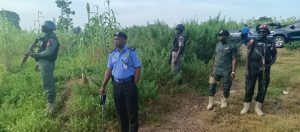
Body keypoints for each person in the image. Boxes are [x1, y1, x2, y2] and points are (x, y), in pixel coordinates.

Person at [100, 32, 141, 132]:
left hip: (129, 85)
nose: (115, 41)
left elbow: (138, 68)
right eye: (114, 39)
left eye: (117, 39)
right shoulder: (112, 54)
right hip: (117, 86)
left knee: (132, 112)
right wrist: (103, 85)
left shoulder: (131, 52)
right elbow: (109, 70)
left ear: (124, 40)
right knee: (121, 112)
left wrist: (134, 83)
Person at [240, 24, 277, 116]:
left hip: (265, 69)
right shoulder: (253, 41)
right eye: (259, 31)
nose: (261, 33)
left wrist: (269, 64)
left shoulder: (270, 42)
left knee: (263, 88)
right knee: (249, 87)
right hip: (253, 67)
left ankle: (258, 107)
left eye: (263, 31)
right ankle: (246, 106)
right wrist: (246, 69)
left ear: (267, 33)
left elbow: (274, 55)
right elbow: (248, 55)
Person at [29, 20, 60, 114]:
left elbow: (48, 52)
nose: (43, 28)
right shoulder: (46, 38)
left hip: (47, 63)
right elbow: (43, 49)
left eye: (44, 27)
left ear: (49, 28)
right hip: (44, 63)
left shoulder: (52, 39)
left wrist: (35, 55)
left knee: (48, 83)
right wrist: (38, 63)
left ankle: (51, 105)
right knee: (46, 82)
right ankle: (50, 103)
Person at [207, 30, 237, 110]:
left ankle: (224, 101)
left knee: (226, 86)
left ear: (227, 36)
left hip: (227, 70)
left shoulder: (232, 46)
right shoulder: (217, 45)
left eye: (222, 35)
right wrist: (213, 68)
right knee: (212, 85)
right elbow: (215, 57)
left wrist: (233, 71)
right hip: (217, 69)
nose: (220, 37)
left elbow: (234, 59)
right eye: (219, 35)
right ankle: (211, 102)